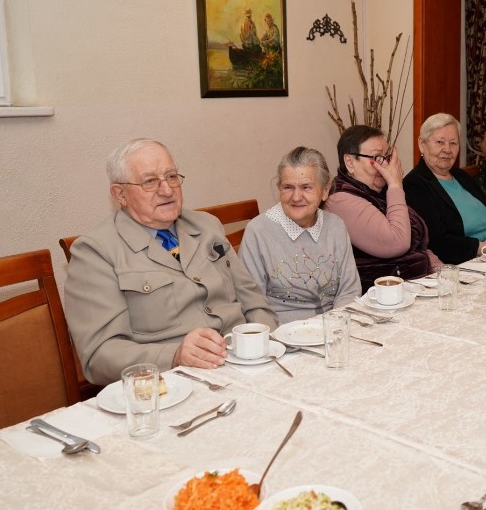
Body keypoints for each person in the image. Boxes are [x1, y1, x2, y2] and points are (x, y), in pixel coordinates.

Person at [65, 139, 278, 385]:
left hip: (247, 366)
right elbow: (99, 356)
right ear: (119, 194)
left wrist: (261, 342)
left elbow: (254, 301)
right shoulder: (95, 252)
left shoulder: (207, 225)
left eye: (171, 176)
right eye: (150, 181)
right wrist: (174, 356)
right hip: (172, 383)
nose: (166, 190)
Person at [239, 147, 361, 324]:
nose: (296, 197)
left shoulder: (335, 226)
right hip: (281, 336)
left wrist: (335, 330)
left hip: (334, 330)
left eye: (306, 187)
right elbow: (251, 303)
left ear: (325, 191)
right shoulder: (258, 231)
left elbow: (349, 291)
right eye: (288, 187)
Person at [326, 125, 441, 293]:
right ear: (350, 162)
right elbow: (396, 242)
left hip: (417, 288)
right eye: (376, 158)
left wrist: (443, 273)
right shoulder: (340, 200)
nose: (386, 165)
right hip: (380, 299)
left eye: (386, 157)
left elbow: (419, 245)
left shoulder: (380, 193)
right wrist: (395, 184)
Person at [403, 113, 486, 264]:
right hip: (466, 261)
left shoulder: (461, 176)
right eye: (440, 142)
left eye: (453, 143)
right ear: (422, 144)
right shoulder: (414, 185)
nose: (447, 149)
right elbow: (437, 242)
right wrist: (481, 247)